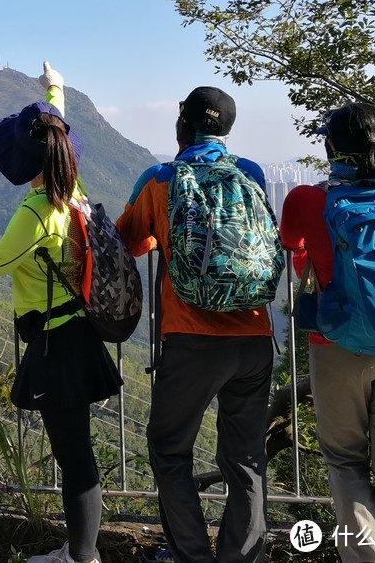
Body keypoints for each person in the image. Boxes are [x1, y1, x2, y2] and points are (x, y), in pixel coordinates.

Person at [0, 62, 122, 563]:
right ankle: (80, 550)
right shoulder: (72, 190)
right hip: (77, 330)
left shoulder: (36, 212)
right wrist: (54, 90)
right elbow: (54, 130)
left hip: (55, 342)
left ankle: (81, 556)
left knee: (74, 455)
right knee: (77, 451)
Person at [115, 87, 273, 563]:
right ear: (226, 129)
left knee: (168, 447)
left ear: (182, 124)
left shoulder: (161, 178)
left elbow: (128, 242)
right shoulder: (252, 174)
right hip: (254, 336)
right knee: (245, 459)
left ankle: (190, 555)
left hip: (191, 339)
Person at [280, 103, 375, 563]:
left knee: (345, 459)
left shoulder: (308, 199)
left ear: (330, 146)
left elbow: (291, 245)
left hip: (339, 345)